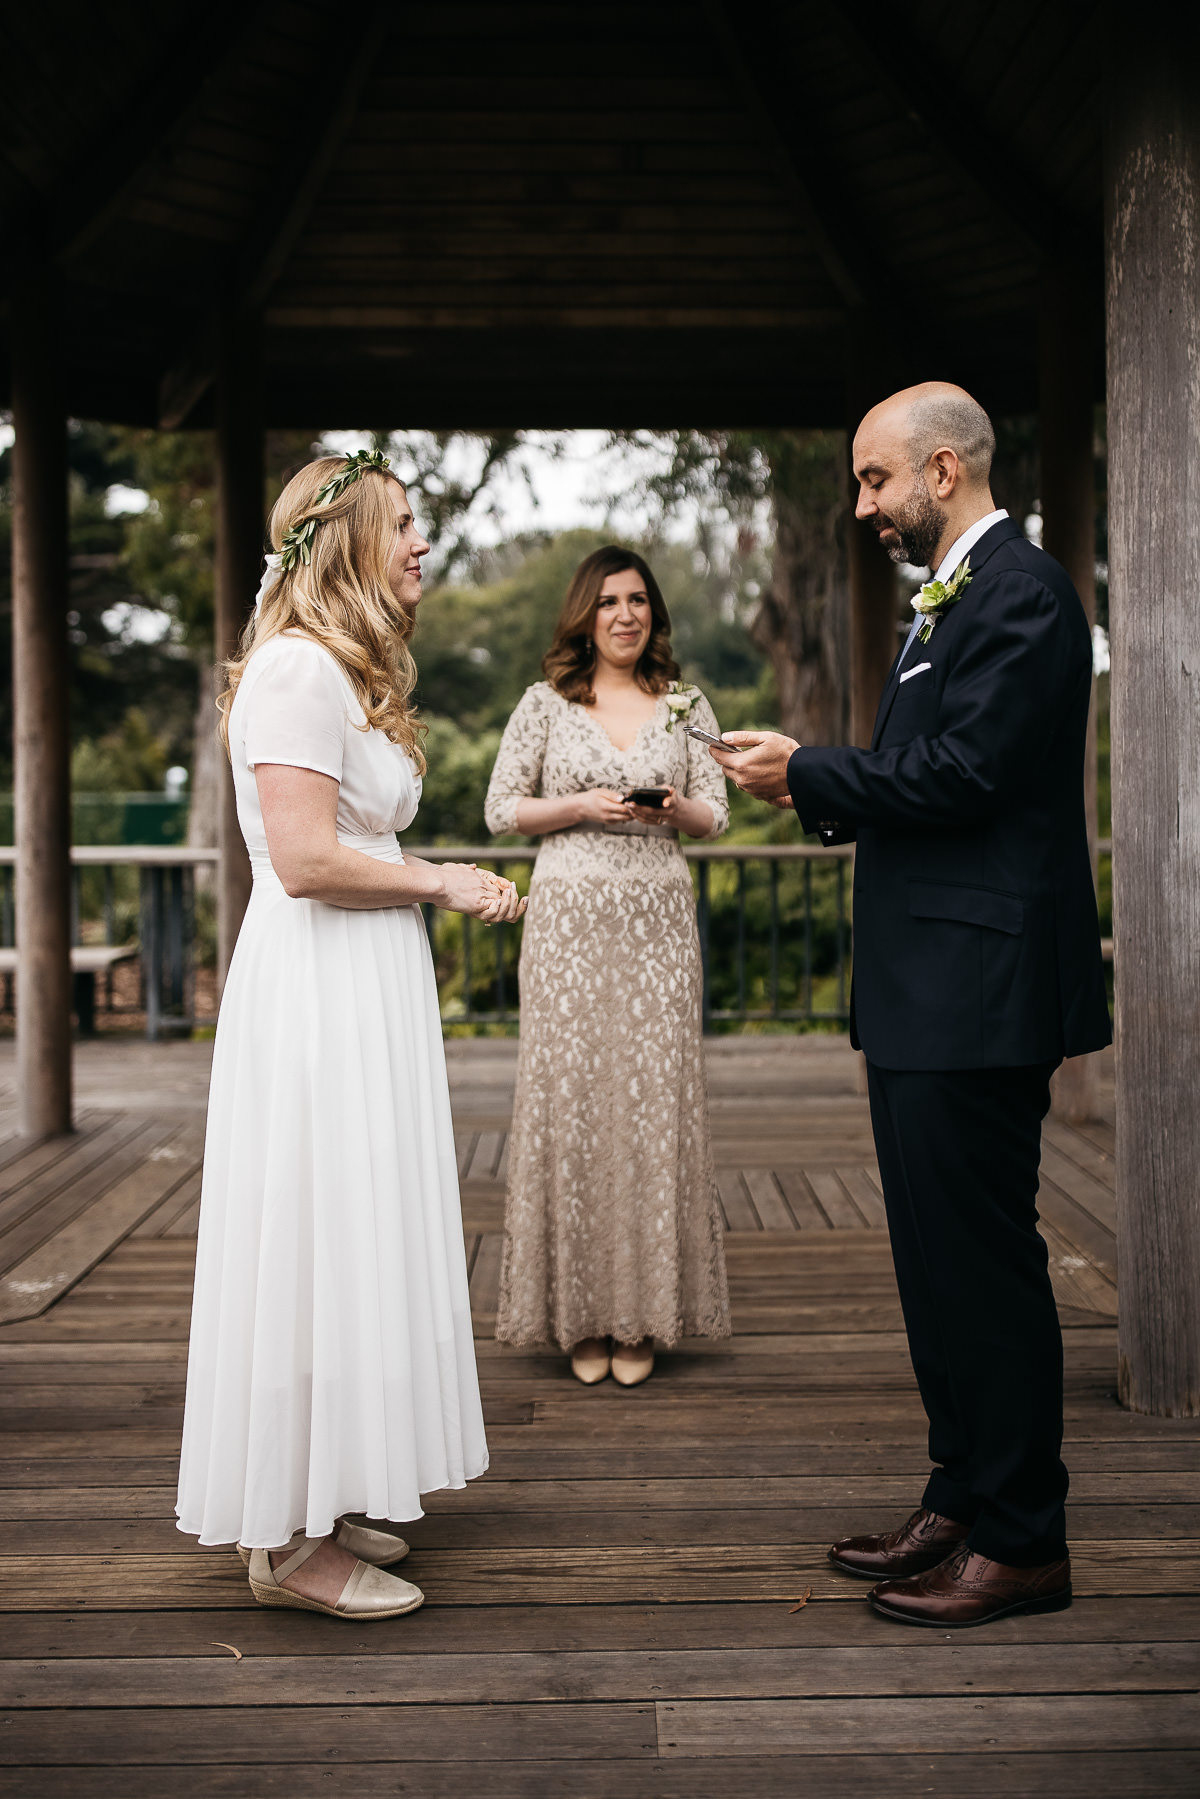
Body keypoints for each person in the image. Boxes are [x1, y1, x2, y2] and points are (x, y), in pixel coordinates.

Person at [713, 383, 1111, 1628]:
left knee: (986, 1263)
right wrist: (818, 777)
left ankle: (1024, 1539)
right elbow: (928, 773)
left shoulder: (1025, 594)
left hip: (982, 985)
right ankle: (959, 1494)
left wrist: (810, 771)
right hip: (927, 984)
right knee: (934, 1261)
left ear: (945, 469)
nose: (864, 505)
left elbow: (970, 772)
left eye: (876, 480)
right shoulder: (952, 594)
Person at [176, 450, 525, 1620]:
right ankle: (286, 1541)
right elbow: (307, 858)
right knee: (310, 1229)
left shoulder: (338, 670)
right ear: (350, 542)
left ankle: (319, 1494)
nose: (425, 543)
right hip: (317, 986)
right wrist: (445, 881)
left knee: (350, 1229)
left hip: (363, 983)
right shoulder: (291, 673)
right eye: (408, 524)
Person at [484, 546, 731, 1386]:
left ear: (654, 614)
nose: (625, 615)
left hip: (658, 926)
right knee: (575, 1105)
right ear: (584, 615)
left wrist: (675, 807)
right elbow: (500, 807)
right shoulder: (544, 705)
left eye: (638, 601)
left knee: (650, 1107)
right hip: (568, 931)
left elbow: (717, 816)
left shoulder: (688, 705)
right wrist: (579, 806)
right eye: (608, 602)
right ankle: (575, 1314)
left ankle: (643, 1316)